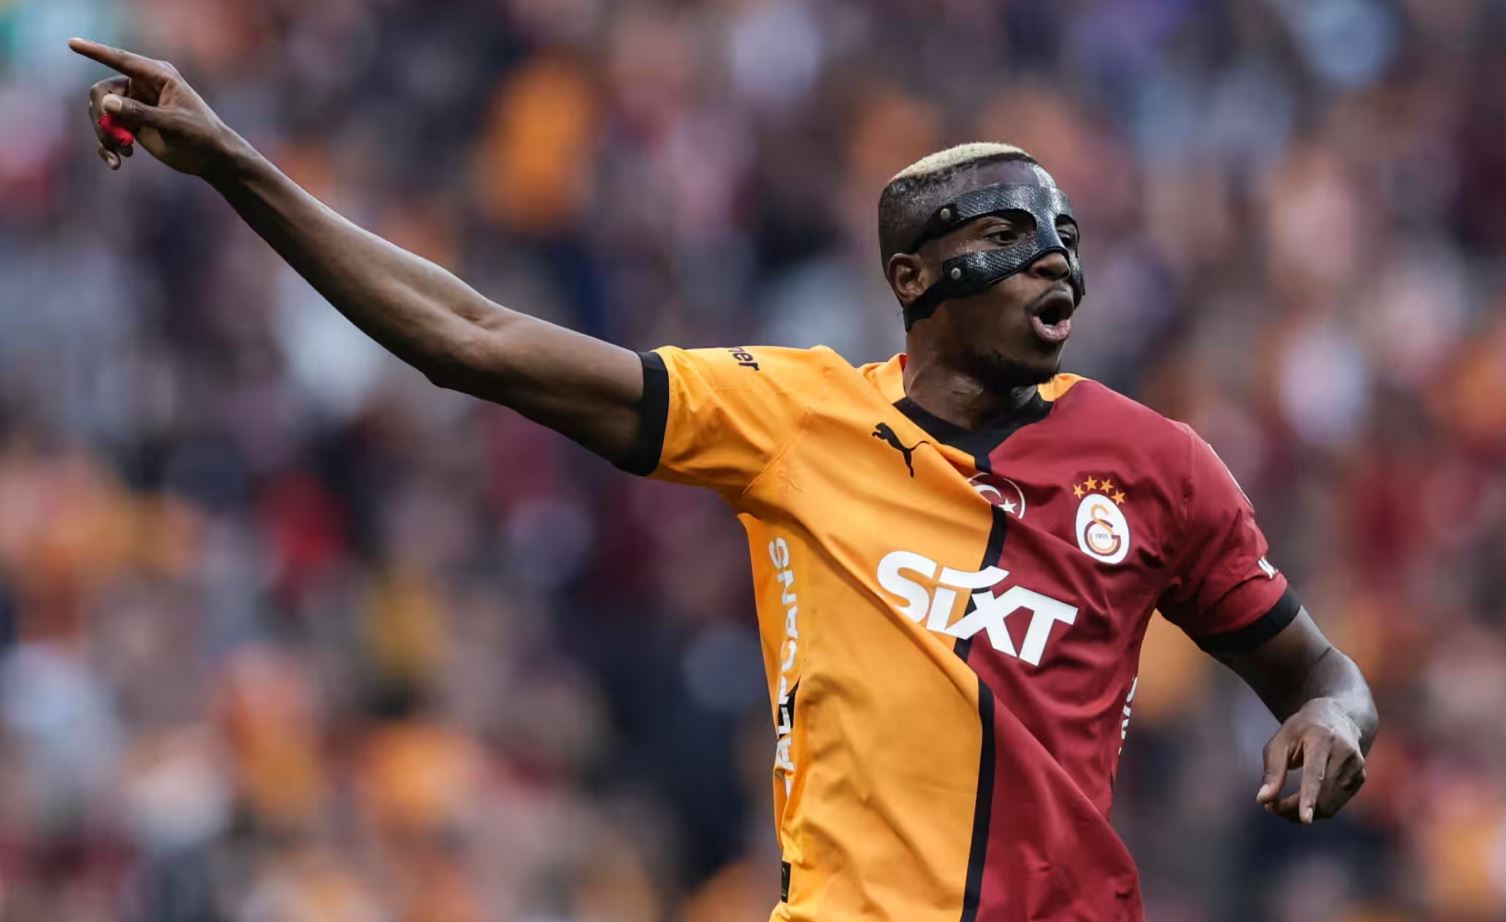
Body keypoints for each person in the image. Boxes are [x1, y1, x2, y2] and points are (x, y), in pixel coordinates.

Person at [70, 38, 1377, 922]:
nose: (1054, 262)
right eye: (1008, 235)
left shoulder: (1156, 466)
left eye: (1066, 239)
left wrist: (1331, 720)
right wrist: (236, 163)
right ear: (912, 277)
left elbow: (1321, 673)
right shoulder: (792, 417)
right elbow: (468, 337)